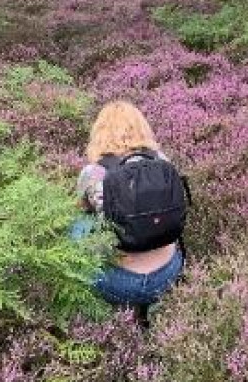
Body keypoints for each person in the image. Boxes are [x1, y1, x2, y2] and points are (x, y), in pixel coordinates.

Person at [73, 100, 184, 306]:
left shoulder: (93, 173)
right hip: (170, 273)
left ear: (100, 132)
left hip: (119, 285)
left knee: (77, 224)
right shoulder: (162, 161)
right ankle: (155, 308)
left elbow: (81, 208)